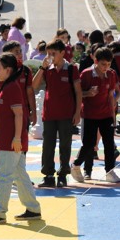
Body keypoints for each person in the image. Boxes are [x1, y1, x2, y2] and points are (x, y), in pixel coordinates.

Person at [0, 53, 43, 224]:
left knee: (4, 176)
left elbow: (18, 114)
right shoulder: (7, 86)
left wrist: (16, 138)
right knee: (19, 175)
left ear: (8, 70)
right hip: (11, 141)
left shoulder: (11, 88)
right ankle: (33, 208)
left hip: (11, 142)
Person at [70, 46, 120, 183]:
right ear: (95, 60)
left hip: (106, 114)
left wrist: (113, 115)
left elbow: (111, 95)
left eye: (109, 64)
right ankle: (75, 165)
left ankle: (109, 171)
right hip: (89, 114)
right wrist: (88, 93)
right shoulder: (86, 74)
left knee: (109, 144)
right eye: (103, 64)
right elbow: (78, 94)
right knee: (89, 144)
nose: (106, 67)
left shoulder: (111, 74)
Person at [35, 39, 81, 188]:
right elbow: (33, 86)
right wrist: (42, 68)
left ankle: (63, 174)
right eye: (48, 53)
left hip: (66, 113)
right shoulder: (47, 69)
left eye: (53, 53)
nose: (50, 56)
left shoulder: (71, 68)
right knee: (48, 145)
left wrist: (77, 112)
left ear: (62, 53)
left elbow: (78, 91)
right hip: (49, 113)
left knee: (65, 145)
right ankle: (48, 175)